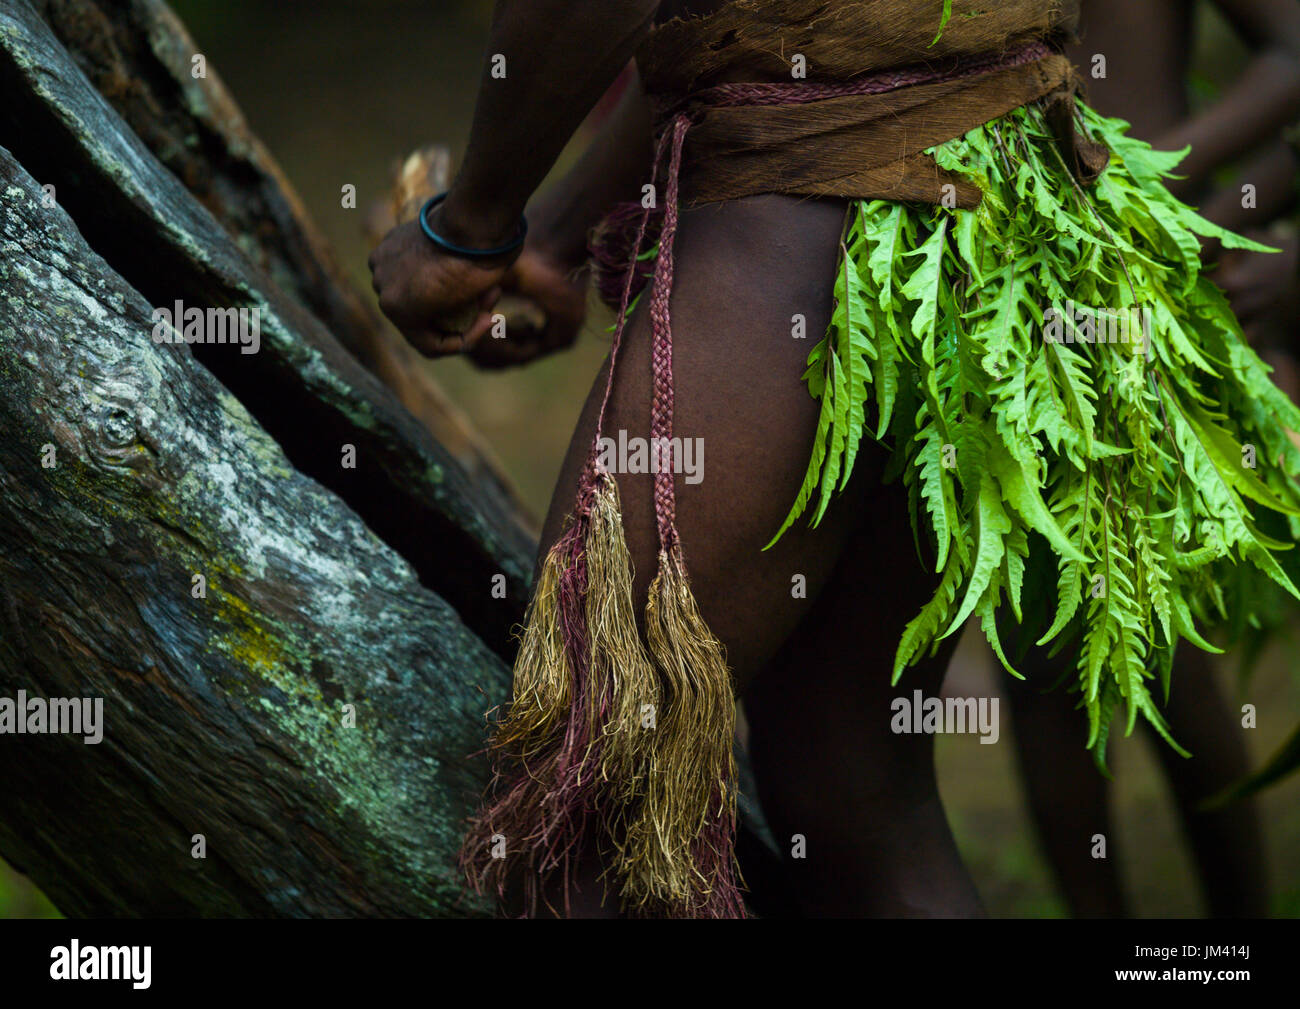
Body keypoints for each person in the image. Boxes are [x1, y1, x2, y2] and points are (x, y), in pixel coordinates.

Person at [369, 0, 1300, 918]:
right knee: (850, 796)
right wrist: (558, 238)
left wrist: (471, 224)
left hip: (802, 228)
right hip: (987, 238)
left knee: (579, 822)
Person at [1003, 0, 1300, 919]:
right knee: (1037, 650)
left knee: (1158, 634)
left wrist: (1175, 175)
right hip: (1001, 295)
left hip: (1141, 287)